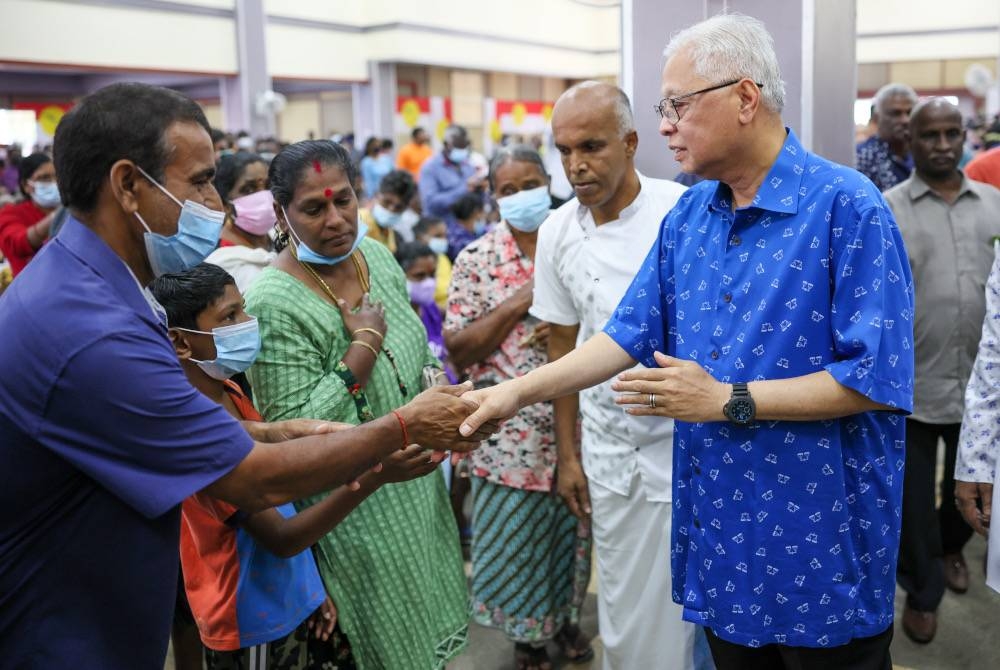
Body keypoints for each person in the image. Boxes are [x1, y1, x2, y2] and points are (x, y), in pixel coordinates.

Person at [458, 14, 914, 670]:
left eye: (677, 105)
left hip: (819, 550)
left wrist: (730, 398)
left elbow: (876, 378)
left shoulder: (849, 208)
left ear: (745, 97)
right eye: (661, 108)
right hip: (725, 543)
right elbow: (623, 335)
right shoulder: (693, 216)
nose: (665, 124)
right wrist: (512, 393)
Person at [0, 82, 491, 669]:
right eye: (202, 180)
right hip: (61, 633)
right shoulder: (93, 329)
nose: (218, 203)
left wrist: (274, 432)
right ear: (129, 185)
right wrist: (402, 430)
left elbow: (184, 432)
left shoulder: (96, 291)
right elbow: (252, 483)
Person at [244, 139, 471, 670]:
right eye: (314, 208)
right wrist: (360, 350)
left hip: (415, 486)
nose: (336, 220)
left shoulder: (374, 256)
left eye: (344, 200)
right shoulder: (272, 303)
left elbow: (416, 349)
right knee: (377, 643)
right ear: (281, 213)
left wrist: (440, 399)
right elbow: (292, 434)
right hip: (351, 506)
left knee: (425, 626)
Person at [530, 81, 695, 670]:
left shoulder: (681, 213)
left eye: (592, 147)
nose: (576, 165)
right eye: (564, 150)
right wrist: (568, 456)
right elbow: (561, 351)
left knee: (696, 607)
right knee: (624, 605)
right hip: (608, 449)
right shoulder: (556, 233)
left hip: (689, 445)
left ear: (630, 142)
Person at [153, 263, 381, 668]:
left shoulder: (229, 391)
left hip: (286, 598)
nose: (247, 323)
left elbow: (285, 499)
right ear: (181, 343)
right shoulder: (193, 430)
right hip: (251, 617)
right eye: (229, 317)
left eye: (242, 310)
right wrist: (374, 478)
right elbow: (281, 536)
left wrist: (310, 588)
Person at [444, 144, 593, 670]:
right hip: (508, 439)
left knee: (570, 538)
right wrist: (522, 299)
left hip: (576, 427)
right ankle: (528, 640)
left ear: (547, 183)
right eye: (508, 190)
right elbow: (458, 349)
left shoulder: (579, 239)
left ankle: (567, 619)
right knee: (519, 544)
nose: (521, 197)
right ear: (492, 197)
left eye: (530, 184)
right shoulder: (478, 259)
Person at [883, 98, 1000, 643]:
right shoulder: (889, 208)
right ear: (912, 139)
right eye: (931, 135)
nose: (944, 145)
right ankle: (922, 590)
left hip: (981, 391)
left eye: (954, 133)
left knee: (973, 487)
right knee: (910, 503)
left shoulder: (994, 206)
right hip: (912, 385)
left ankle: (954, 546)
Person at [204, 152, 277, 293]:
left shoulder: (280, 238)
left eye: (268, 186)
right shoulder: (222, 264)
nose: (264, 196)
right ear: (225, 204)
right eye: (249, 189)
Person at [396, 241, 456, 383]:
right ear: (398, 275)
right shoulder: (396, 320)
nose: (429, 283)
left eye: (432, 275)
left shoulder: (430, 308)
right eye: (419, 275)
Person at [0, 152, 61, 276]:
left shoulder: (70, 211)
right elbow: (17, 243)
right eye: (44, 178)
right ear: (26, 185)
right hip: (31, 289)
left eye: (56, 177)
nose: (53, 182)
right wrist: (55, 217)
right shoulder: (11, 213)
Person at [420, 124, 487, 227]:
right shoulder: (430, 167)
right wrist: (464, 189)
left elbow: (476, 199)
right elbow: (431, 204)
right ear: (446, 144)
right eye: (457, 145)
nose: (461, 149)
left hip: (466, 227)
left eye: (464, 145)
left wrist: (481, 190)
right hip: (442, 228)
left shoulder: (467, 165)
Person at [856, 83, 918, 192]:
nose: (905, 120)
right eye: (896, 113)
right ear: (877, 117)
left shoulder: (923, 153)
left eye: (909, 113)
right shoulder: (863, 157)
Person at [362, 169, 417, 254]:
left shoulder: (390, 232)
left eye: (398, 207)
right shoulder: (360, 222)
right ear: (377, 194)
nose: (391, 209)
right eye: (387, 202)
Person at [414, 215, 452, 310]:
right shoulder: (415, 264)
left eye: (445, 236)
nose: (443, 240)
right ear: (420, 237)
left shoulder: (442, 258)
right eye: (437, 236)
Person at [448, 191, 487, 261]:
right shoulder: (458, 240)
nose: (484, 215)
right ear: (476, 212)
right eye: (483, 211)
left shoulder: (475, 232)